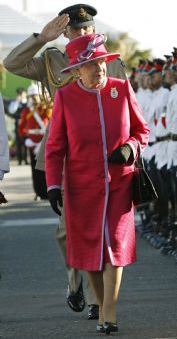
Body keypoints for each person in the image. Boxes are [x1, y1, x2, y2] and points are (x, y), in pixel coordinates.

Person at [4, 4, 127, 319]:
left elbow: (125, 111)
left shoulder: (111, 65)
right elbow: (11, 63)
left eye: (87, 29)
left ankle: (98, 301)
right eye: (76, 30)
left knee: (99, 229)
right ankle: (76, 283)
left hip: (101, 160)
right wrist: (40, 38)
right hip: (62, 159)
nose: (83, 34)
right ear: (66, 33)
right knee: (67, 231)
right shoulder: (52, 60)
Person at [45, 33, 149, 334]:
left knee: (115, 245)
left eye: (100, 61)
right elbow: (54, 148)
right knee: (89, 250)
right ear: (77, 70)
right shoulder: (66, 97)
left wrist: (131, 147)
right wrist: (53, 186)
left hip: (119, 183)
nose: (98, 68)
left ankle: (109, 311)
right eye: (90, 65)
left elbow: (142, 131)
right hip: (81, 187)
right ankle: (101, 304)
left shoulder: (121, 88)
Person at [18, 84, 51, 200]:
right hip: (32, 144)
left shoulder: (47, 108)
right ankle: (39, 191)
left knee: (47, 169)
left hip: (45, 143)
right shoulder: (27, 110)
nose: (33, 98)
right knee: (35, 170)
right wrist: (26, 140)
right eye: (31, 96)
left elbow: (51, 124)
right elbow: (21, 128)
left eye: (35, 96)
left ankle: (49, 191)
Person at [8, 87, 28, 165]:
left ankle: (26, 159)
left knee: (26, 143)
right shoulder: (15, 103)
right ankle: (20, 160)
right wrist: (17, 102)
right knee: (18, 143)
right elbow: (11, 111)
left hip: (26, 126)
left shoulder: (27, 102)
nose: (21, 95)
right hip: (18, 126)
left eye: (21, 93)